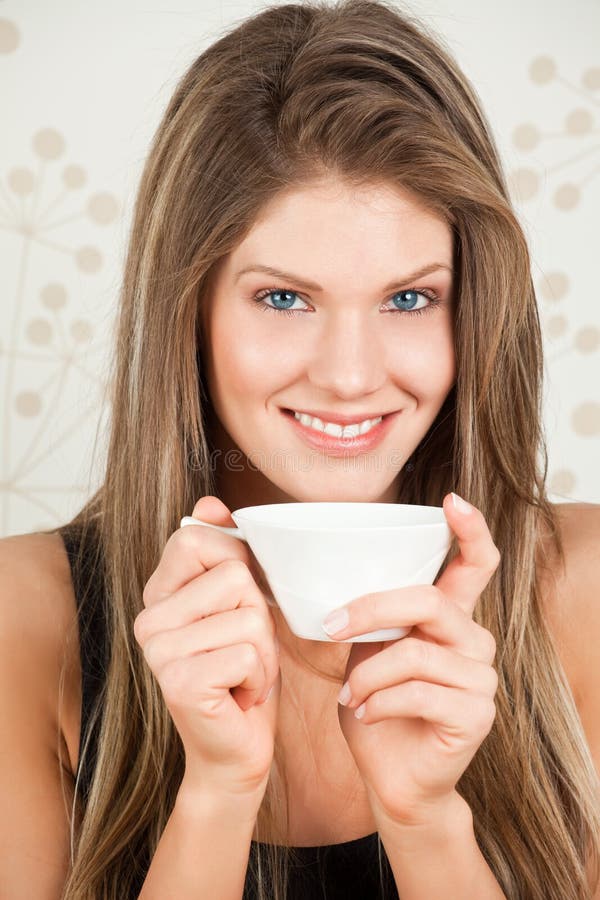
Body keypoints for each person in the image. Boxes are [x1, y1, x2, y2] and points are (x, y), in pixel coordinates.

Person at [1, 0, 599, 897]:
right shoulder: (25, 624)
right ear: (189, 311)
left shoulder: (580, 594)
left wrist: (427, 822)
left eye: (409, 299)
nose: (351, 377)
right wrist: (216, 794)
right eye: (284, 299)